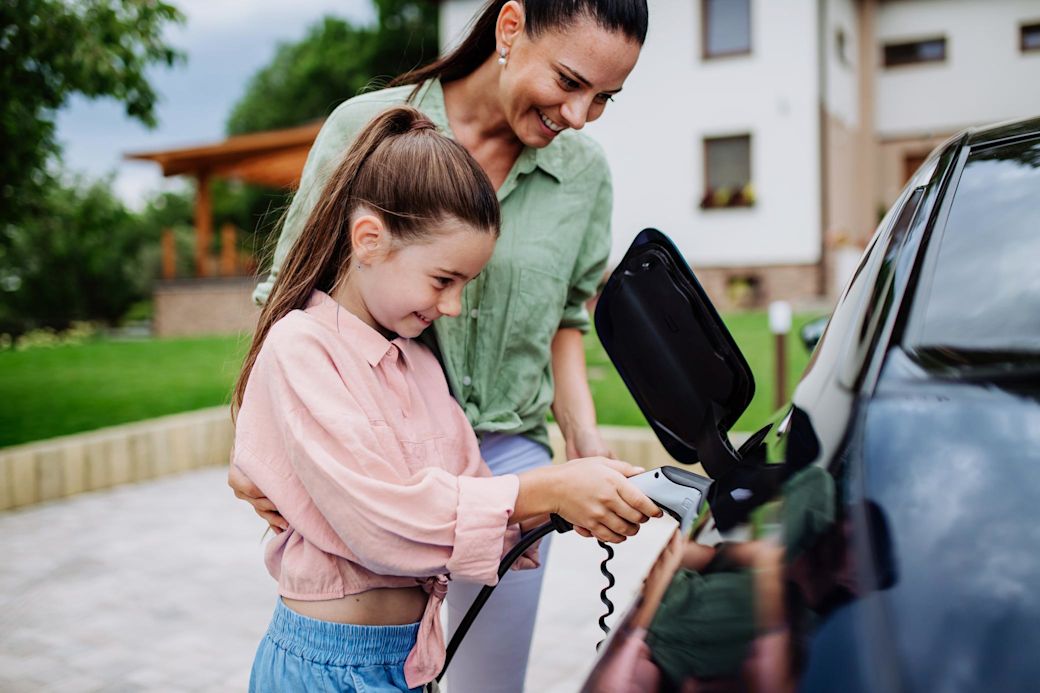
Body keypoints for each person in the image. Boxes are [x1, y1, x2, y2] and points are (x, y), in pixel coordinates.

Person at [230, 1, 650, 689]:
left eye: (604, 97)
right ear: (509, 29)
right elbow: (287, 289)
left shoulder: (584, 176)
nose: (578, 114)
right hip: (370, 444)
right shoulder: (365, 130)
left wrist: (586, 457)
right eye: (570, 82)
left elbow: (568, 317)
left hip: (505, 452)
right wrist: (259, 436)